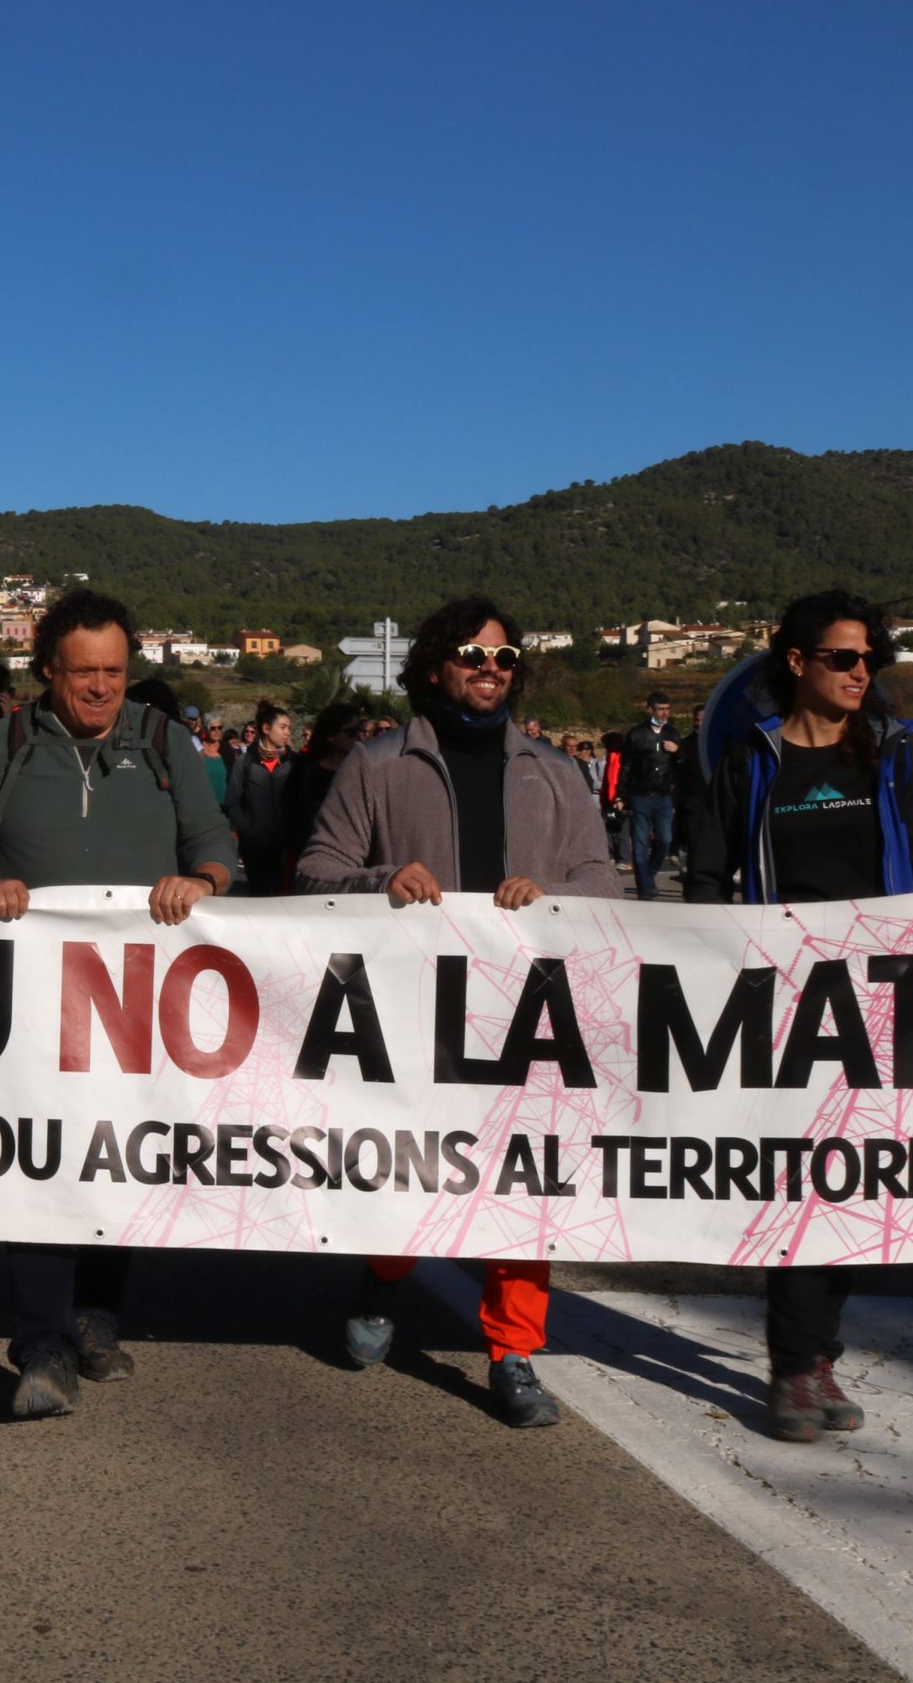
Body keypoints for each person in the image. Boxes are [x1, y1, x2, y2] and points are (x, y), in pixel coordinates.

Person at [683, 589, 913, 1444]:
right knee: (797, 1183)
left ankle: (817, 1356)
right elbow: (705, 877)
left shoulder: (891, 759)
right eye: (844, 658)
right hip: (780, 1010)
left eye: (870, 660)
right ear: (797, 662)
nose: (862, 673)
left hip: (882, 1007)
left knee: (854, 1186)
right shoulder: (749, 760)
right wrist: (711, 969)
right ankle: (792, 1366)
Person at [296, 596, 621, 1429]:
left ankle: (513, 1350)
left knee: (523, 1181)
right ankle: (384, 1273)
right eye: (472, 654)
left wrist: (552, 895)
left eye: (504, 657)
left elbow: (605, 882)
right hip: (410, 1012)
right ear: (436, 666)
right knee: (410, 1167)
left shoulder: (555, 770)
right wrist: (382, 879)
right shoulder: (377, 763)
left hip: (526, 1013)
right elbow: (315, 870)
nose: (489, 668)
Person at [0, 588, 235, 1419]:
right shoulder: (5, 745)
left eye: (114, 671)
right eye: (83, 673)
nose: (101, 687)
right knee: (41, 1158)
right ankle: (43, 1346)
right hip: (36, 998)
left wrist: (202, 880)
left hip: (141, 1000)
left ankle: (97, 1316)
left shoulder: (165, 741)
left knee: (120, 1155)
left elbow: (216, 844)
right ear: (47, 671)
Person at [276, 701, 365, 892]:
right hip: (306, 854)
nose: (358, 736)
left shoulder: (365, 769)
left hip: (352, 857)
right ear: (331, 736)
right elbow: (290, 809)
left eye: (359, 729)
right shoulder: (304, 768)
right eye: (351, 732)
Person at [224, 701, 295, 895]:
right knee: (259, 895)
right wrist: (248, 832)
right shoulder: (245, 762)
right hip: (254, 848)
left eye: (289, 728)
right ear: (266, 728)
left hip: (285, 848)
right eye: (282, 727)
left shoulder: (295, 763)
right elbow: (232, 801)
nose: (287, 733)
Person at [618, 691, 683, 899]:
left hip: (664, 796)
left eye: (667, 709)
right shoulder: (636, 734)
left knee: (665, 839)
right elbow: (626, 765)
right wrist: (621, 795)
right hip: (640, 795)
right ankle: (645, 887)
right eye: (660, 709)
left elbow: (680, 767)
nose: (665, 713)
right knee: (640, 843)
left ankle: (649, 874)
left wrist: (677, 751)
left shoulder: (673, 733)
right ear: (650, 710)